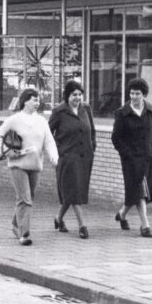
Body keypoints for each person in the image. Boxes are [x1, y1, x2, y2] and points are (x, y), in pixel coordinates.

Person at [0, 88, 59, 246]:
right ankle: (24, 234)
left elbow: (49, 141)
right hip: (18, 165)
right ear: (25, 101)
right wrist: (7, 151)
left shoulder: (41, 121)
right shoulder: (14, 120)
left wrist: (53, 155)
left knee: (28, 198)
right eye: (34, 100)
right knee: (25, 199)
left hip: (35, 165)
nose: (38, 103)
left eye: (38, 100)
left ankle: (16, 223)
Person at [111, 77, 152, 238]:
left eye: (137, 93)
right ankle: (145, 225)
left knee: (139, 192)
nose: (133, 96)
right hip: (131, 161)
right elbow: (116, 138)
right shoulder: (122, 113)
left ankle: (122, 213)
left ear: (144, 95)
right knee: (140, 191)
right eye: (131, 93)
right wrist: (126, 153)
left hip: (148, 159)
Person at [48, 80, 96, 239]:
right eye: (74, 94)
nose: (77, 98)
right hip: (68, 158)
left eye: (80, 94)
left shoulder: (86, 109)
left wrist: (92, 147)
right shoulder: (59, 112)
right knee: (74, 191)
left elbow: (92, 131)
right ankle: (82, 226)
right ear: (67, 95)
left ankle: (58, 219)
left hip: (85, 158)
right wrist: (58, 151)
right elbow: (48, 135)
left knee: (74, 191)